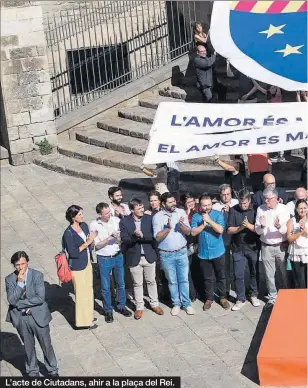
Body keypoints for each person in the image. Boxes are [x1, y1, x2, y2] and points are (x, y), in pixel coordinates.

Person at [5, 251, 58, 377]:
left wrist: (20, 304)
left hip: (38, 316)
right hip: (21, 318)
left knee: (46, 344)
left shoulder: (37, 275)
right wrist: (19, 283)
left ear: (27, 262)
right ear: (14, 265)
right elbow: (11, 300)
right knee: (28, 347)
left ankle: (52, 370)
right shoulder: (10, 279)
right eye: (17, 264)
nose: (21, 267)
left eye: (23, 263)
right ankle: (32, 371)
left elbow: (40, 298)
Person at [120, 198, 164, 319]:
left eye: (142, 207)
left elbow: (153, 236)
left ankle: (154, 303)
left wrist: (142, 236)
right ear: (132, 210)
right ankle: (139, 307)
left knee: (151, 281)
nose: (142, 210)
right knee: (137, 283)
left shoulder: (149, 219)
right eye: (138, 208)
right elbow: (125, 239)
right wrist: (134, 236)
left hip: (149, 255)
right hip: (134, 257)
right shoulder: (124, 222)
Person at [153, 192, 195, 315]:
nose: (173, 204)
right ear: (163, 204)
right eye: (170, 202)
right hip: (166, 254)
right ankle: (176, 303)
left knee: (184, 279)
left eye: (174, 201)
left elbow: (188, 232)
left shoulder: (180, 212)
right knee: (172, 281)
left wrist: (181, 225)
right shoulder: (158, 217)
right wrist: (168, 228)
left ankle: (186, 304)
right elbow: (157, 237)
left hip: (181, 252)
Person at [90, 203, 132, 323]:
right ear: (100, 214)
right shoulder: (94, 225)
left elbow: (121, 238)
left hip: (117, 255)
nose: (109, 214)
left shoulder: (116, 220)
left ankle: (121, 306)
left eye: (110, 212)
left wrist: (118, 238)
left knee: (121, 283)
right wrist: (109, 237)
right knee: (105, 286)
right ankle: (108, 310)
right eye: (106, 213)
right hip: (104, 258)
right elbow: (97, 245)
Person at [191, 195, 230, 310]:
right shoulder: (196, 217)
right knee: (207, 277)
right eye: (204, 205)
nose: (207, 207)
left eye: (209, 205)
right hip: (204, 253)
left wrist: (209, 221)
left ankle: (223, 297)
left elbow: (220, 230)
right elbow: (193, 232)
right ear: (200, 205)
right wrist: (203, 225)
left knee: (221, 275)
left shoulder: (218, 214)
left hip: (218, 252)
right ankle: (209, 298)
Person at [62, 205, 97, 329]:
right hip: (77, 265)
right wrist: (86, 243)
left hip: (87, 261)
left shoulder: (84, 226)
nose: (82, 216)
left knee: (89, 290)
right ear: (73, 217)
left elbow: (89, 241)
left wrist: (91, 239)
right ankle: (84, 321)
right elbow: (73, 253)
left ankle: (88, 315)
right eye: (80, 214)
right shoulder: (68, 233)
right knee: (81, 293)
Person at [255, 188, 291, 307]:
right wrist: (262, 226)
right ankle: (272, 297)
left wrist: (279, 226)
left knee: (284, 272)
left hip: (281, 245)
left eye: (268, 199)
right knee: (269, 274)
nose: (266, 201)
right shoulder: (260, 209)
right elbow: (257, 230)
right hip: (266, 246)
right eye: (264, 198)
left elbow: (286, 230)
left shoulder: (284, 209)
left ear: (275, 199)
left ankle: (286, 293)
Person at [227, 190, 260, 310]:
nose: (243, 206)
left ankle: (254, 294)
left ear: (249, 201)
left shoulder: (255, 210)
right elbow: (230, 229)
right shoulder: (233, 209)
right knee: (238, 274)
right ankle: (240, 298)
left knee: (254, 271)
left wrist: (249, 226)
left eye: (245, 203)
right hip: (238, 247)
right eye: (241, 203)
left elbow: (260, 229)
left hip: (252, 246)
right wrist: (241, 227)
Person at [213, 184, 238, 296]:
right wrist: (222, 214)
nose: (226, 197)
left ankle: (240, 289)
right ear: (220, 195)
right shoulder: (216, 207)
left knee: (238, 265)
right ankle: (226, 289)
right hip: (224, 240)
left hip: (237, 238)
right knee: (225, 266)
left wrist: (231, 210)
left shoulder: (236, 203)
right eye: (224, 195)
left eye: (228, 194)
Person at [180, 192, 199, 301]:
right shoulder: (182, 213)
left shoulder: (198, 211)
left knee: (197, 269)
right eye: (188, 202)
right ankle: (192, 294)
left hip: (198, 244)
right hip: (187, 246)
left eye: (192, 201)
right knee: (187, 271)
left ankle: (199, 292)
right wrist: (187, 213)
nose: (191, 204)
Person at [287, 199, 308, 289]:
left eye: (305, 208)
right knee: (300, 281)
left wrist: (304, 230)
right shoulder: (291, 221)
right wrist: (299, 232)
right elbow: (289, 238)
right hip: (296, 253)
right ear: (296, 209)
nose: (303, 210)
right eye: (300, 208)